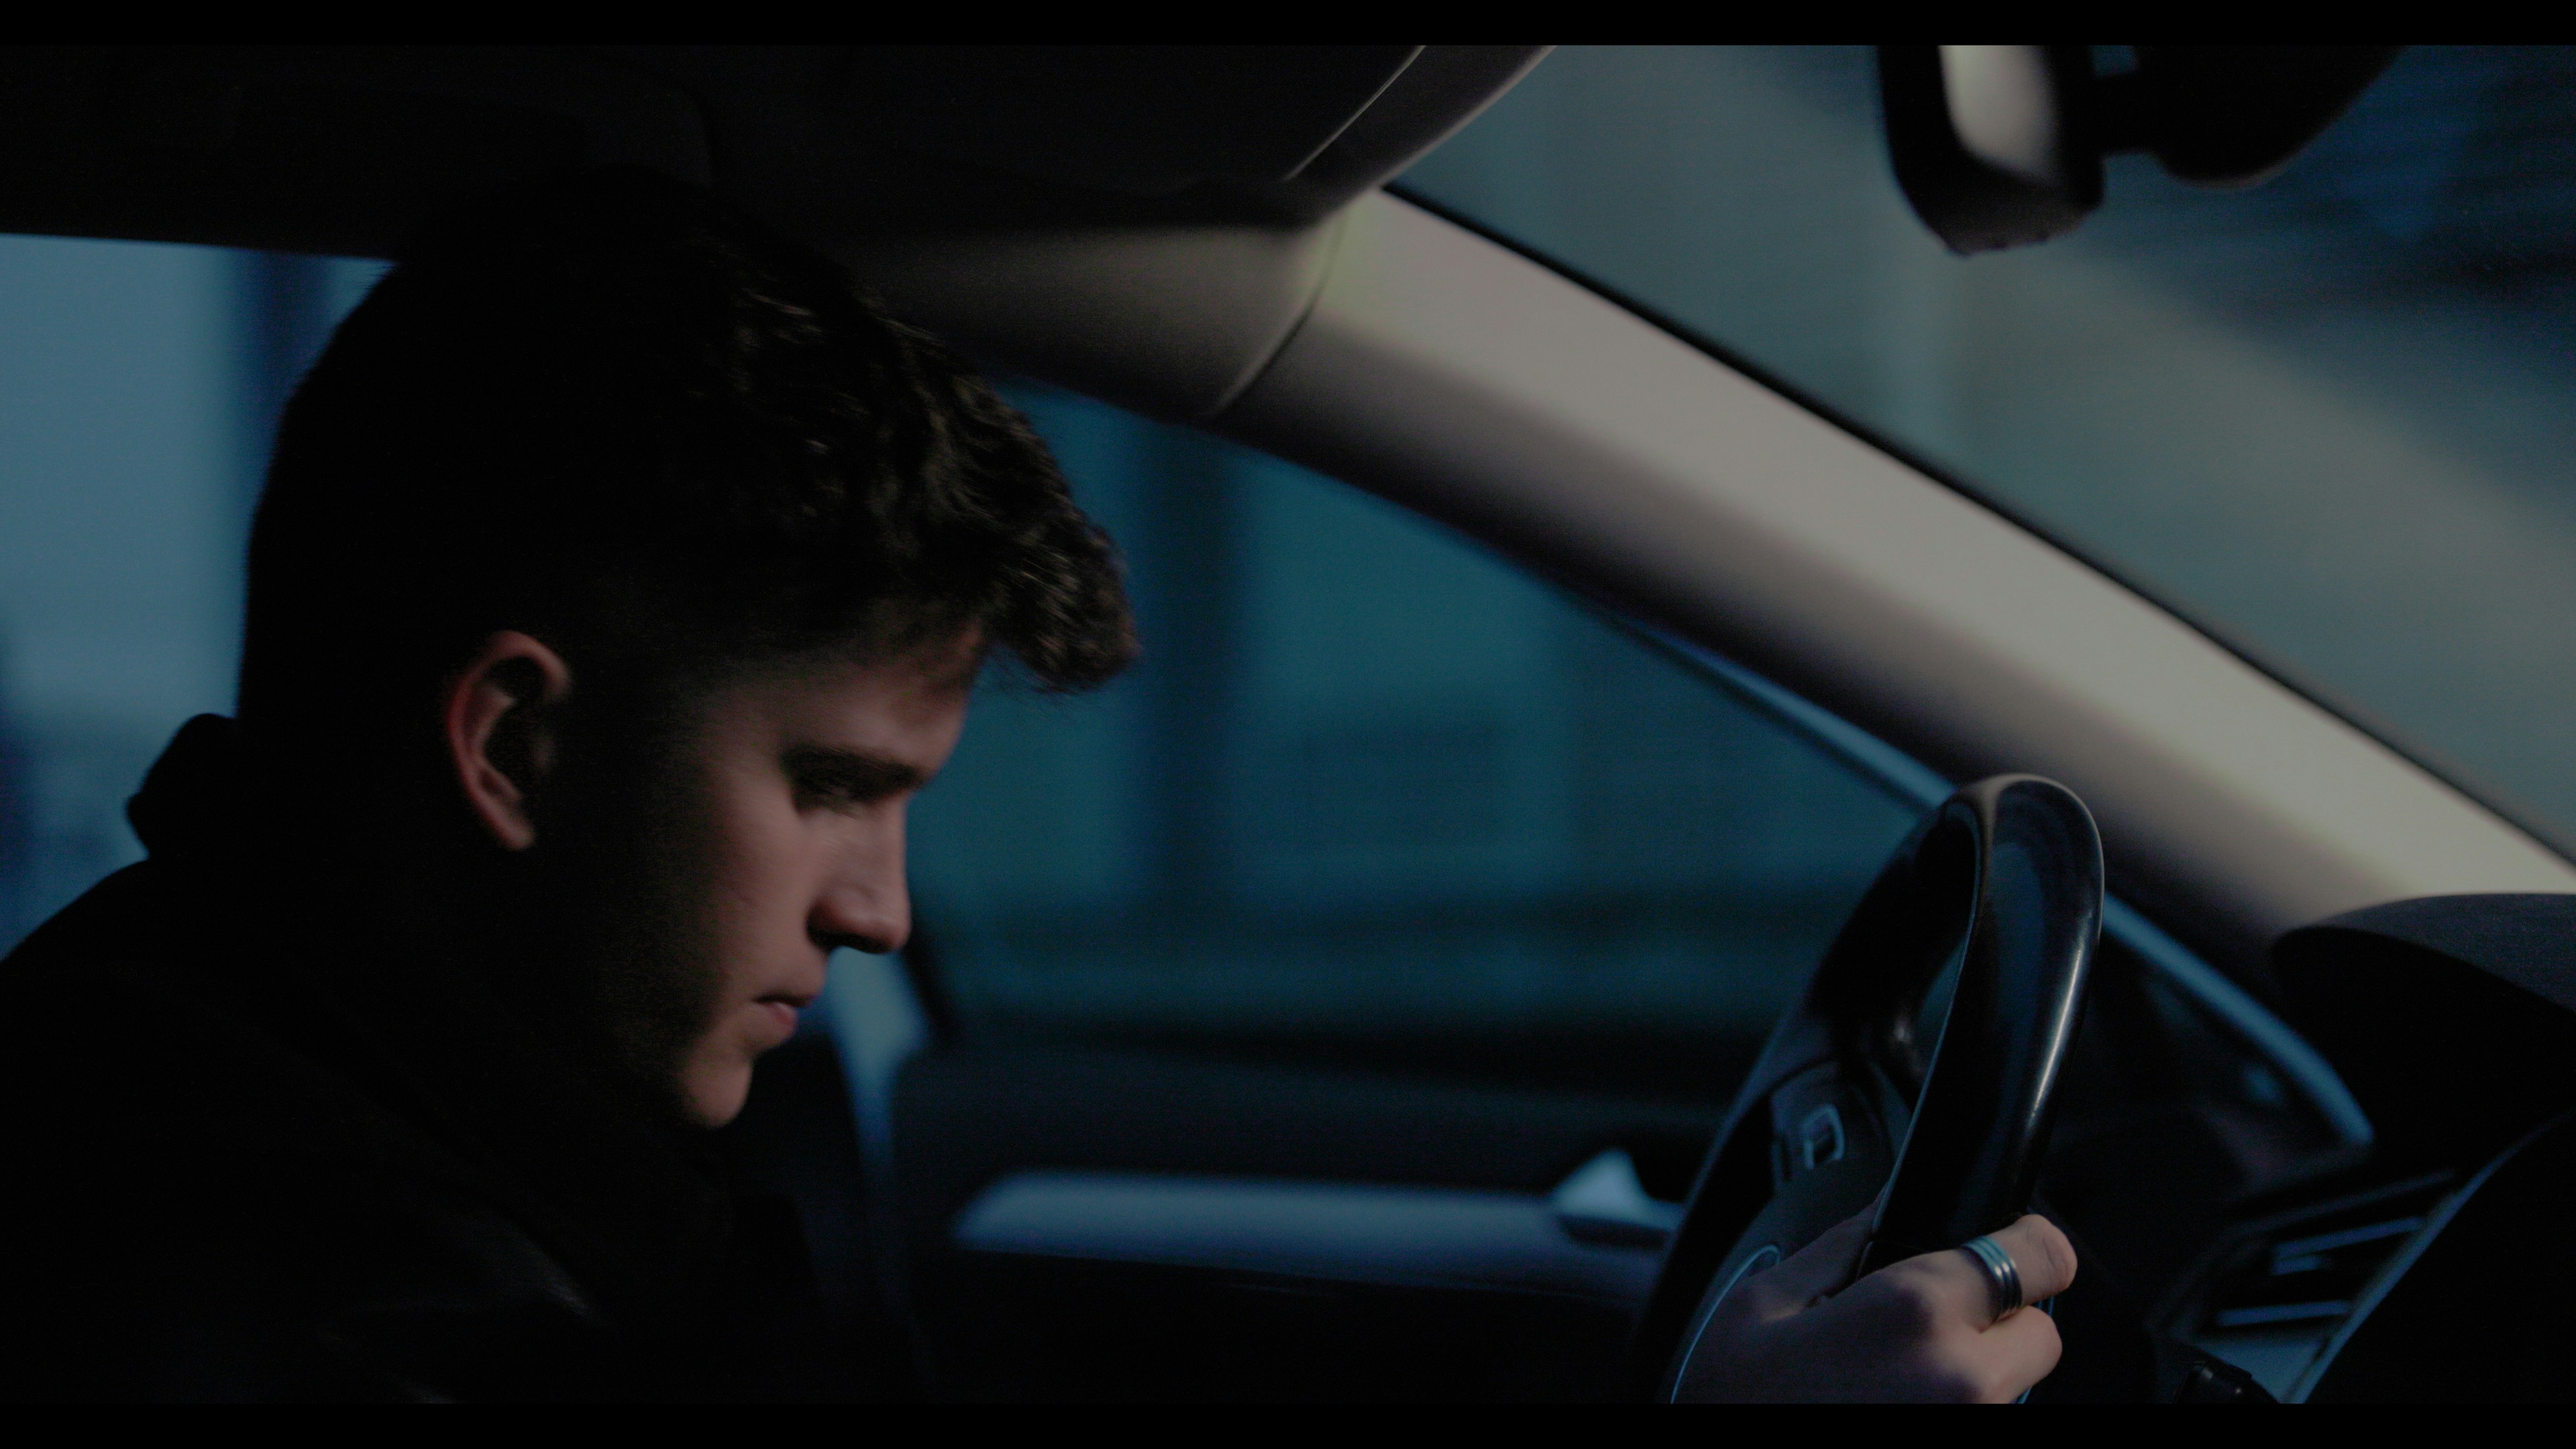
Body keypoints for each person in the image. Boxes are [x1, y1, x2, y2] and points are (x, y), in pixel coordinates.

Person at [0, 169, 2071, 1401]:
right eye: (831, 785)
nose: (880, 907)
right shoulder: (276, 1306)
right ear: (517, 744)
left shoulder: (367, 1128)